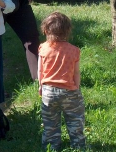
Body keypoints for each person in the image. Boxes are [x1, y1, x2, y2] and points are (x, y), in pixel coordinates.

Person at [38, 11, 86, 151]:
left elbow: (40, 71)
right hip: (70, 91)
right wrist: (76, 87)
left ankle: (51, 146)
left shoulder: (43, 48)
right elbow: (76, 72)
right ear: (68, 30)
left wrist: (41, 86)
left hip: (48, 92)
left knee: (50, 123)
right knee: (75, 120)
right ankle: (78, 146)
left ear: (46, 30)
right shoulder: (74, 50)